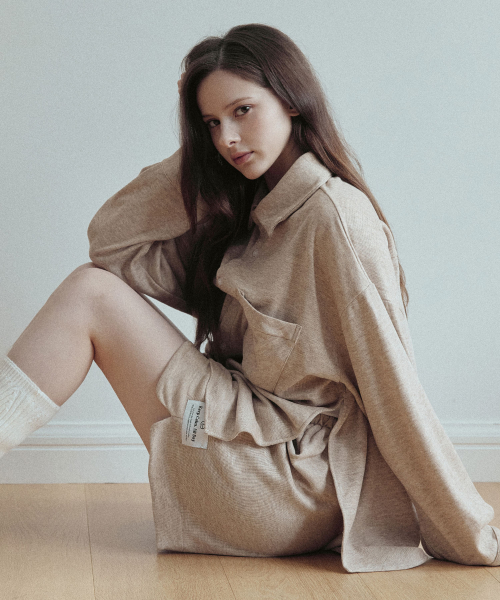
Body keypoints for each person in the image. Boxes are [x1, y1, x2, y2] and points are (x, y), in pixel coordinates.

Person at [0, 23, 499, 574]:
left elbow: (395, 388)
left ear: (292, 100)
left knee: (89, 294)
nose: (228, 139)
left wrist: (472, 535)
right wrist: (196, 159)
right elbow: (111, 243)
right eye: (212, 124)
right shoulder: (250, 214)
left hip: (287, 481)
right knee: (91, 287)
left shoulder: (336, 220)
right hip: (247, 438)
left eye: (242, 111)